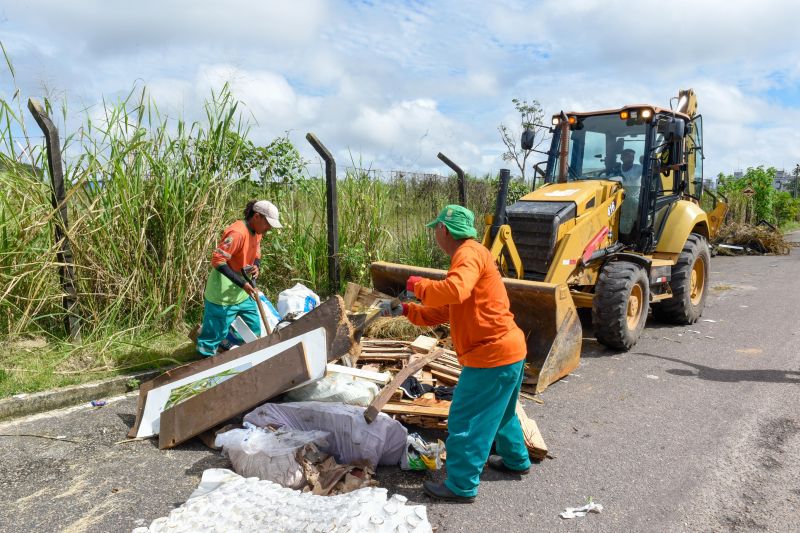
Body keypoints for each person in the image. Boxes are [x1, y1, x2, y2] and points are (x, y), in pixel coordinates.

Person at [382, 205, 531, 503]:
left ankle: (461, 485)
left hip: (491, 355)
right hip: (509, 350)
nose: (435, 235)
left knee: (466, 418)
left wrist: (418, 286)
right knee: (501, 413)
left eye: (436, 229)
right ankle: (517, 461)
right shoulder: (472, 255)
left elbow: (455, 290)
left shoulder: (467, 254)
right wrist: (408, 309)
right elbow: (445, 309)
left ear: (444, 230)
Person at [196, 200, 282, 357]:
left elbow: (256, 254)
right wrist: (242, 283)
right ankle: (202, 369)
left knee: (253, 329)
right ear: (257, 217)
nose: (269, 228)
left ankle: (238, 356)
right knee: (211, 339)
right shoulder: (236, 233)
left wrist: (256, 266)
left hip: (241, 293)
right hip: (221, 295)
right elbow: (218, 261)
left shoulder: (258, 232)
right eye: (268, 223)